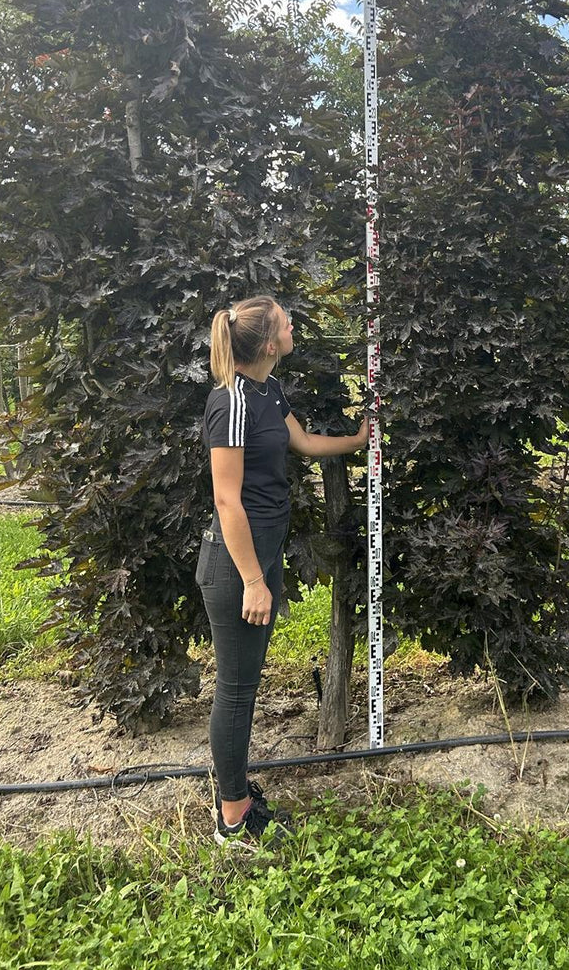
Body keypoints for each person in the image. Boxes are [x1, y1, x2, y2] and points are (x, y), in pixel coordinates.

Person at [199, 294, 368, 846]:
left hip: (260, 557)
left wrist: (358, 442)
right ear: (270, 342)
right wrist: (252, 580)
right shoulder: (231, 404)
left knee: (244, 684)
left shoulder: (268, 391)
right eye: (286, 322)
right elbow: (228, 502)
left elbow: (302, 442)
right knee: (237, 688)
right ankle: (232, 815)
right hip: (234, 565)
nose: (294, 325)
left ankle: (236, 791)